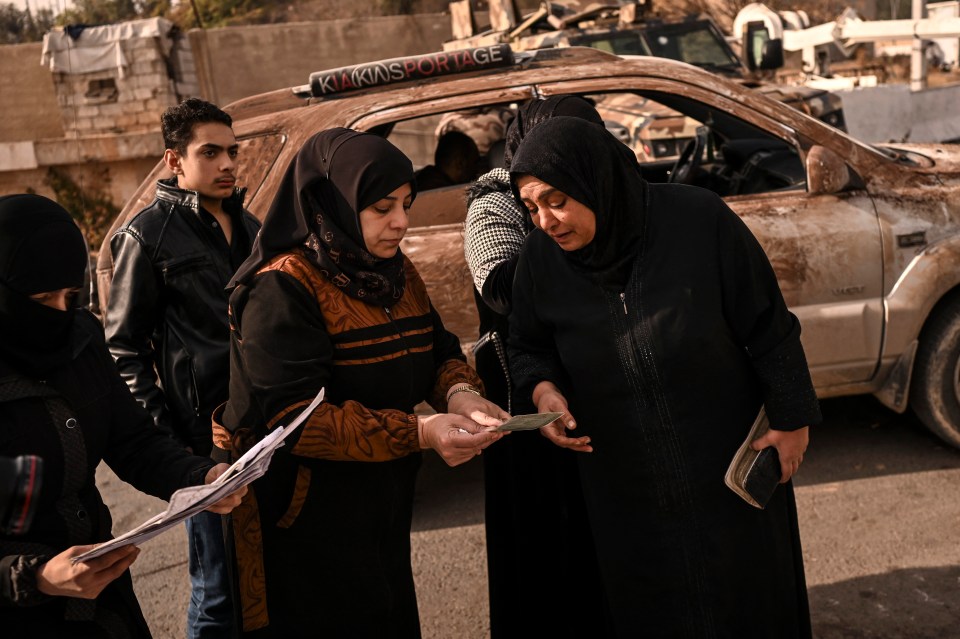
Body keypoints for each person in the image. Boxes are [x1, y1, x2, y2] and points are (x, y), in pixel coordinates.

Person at [508, 117, 822, 638]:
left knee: (749, 600)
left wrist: (793, 419)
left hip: (723, 465)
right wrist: (542, 390)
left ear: (596, 181)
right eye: (531, 207)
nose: (545, 220)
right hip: (625, 487)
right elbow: (527, 346)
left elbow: (767, 323)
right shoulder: (541, 260)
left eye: (557, 200)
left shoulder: (698, 219)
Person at [218, 128, 507, 637]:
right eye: (381, 208)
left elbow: (437, 349)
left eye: (406, 204)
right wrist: (422, 432)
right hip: (304, 520)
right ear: (334, 203)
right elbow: (296, 422)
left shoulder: (393, 271)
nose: (401, 223)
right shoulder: (281, 288)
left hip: (382, 506)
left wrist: (461, 395)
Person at [0, 194, 245, 638]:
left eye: (71, 295)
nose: (59, 311)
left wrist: (201, 479)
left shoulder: (81, 337)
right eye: (41, 297)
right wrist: (35, 575)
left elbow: (133, 441)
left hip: (100, 601)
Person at [103, 98, 260, 639]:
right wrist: (171, 451)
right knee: (218, 593)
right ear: (174, 160)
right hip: (201, 442)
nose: (227, 164)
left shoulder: (250, 223)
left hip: (261, 426)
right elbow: (123, 349)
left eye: (232, 152)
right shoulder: (145, 235)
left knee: (267, 581)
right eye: (209, 152)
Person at [463, 95, 609, 638]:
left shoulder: (603, 189)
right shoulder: (496, 203)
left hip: (593, 386)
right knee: (546, 539)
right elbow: (501, 290)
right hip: (526, 392)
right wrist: (574, 243)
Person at [413, 130, 480, 190]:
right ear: (460, 163)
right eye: (475, 162)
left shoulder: (422, 180)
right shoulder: (444, 193)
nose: (476, 170)